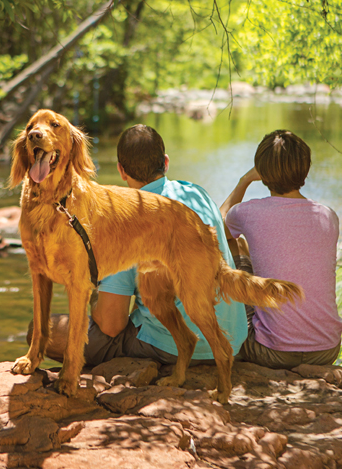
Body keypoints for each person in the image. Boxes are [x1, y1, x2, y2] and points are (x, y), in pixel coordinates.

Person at [40, 124, 248, 366]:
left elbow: (111, 324)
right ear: (166, 162)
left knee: (42, 330)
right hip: (233, 344)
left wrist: (95, 294)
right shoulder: (196, 193)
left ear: (121, 171)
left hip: (169, 348)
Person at [220, 129, 342, 369]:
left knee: (236, 245)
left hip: (271, 351)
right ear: (305, 169)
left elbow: (216, 226)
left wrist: (244, 180)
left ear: (263, 173)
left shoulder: (248, 212)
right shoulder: (327, 216)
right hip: (327, 349)